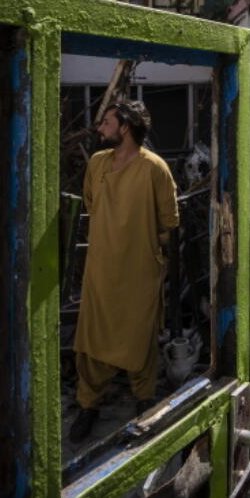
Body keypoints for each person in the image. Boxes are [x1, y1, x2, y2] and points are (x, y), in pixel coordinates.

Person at [69, 99, 179, 444]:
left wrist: (145, 250)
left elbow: (168, 223)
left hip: (140, 270)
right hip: (101, 267)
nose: (100, 129)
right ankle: (88, 405)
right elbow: (91, 203)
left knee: (139, 338)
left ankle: (144, 402)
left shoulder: (155, 168)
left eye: (106, 123)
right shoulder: (98, 164)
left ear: (125, 128)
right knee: (92, 339)